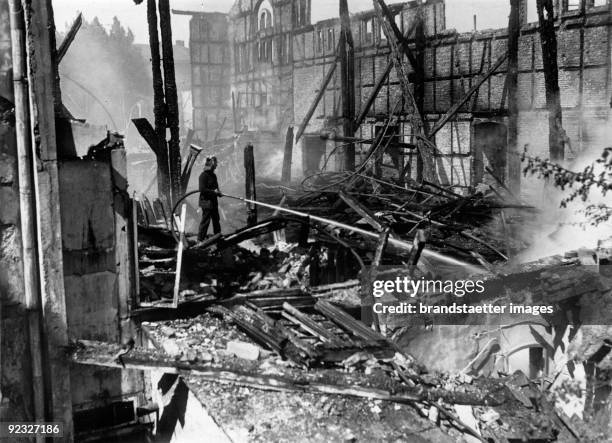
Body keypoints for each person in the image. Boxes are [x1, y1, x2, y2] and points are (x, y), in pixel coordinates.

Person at [198, 156, 222, 240]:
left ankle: (218, 236)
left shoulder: (213, 176)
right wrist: (213, 192)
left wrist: (219, 193)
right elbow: (202, 189)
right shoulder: (203, 175)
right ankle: (200, 240)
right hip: (206, 201)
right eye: (215, 163)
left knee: (216, 219)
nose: (217, 165)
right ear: (211, 164)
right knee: (206, 221)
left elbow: (216, 187)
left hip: (213, 201)